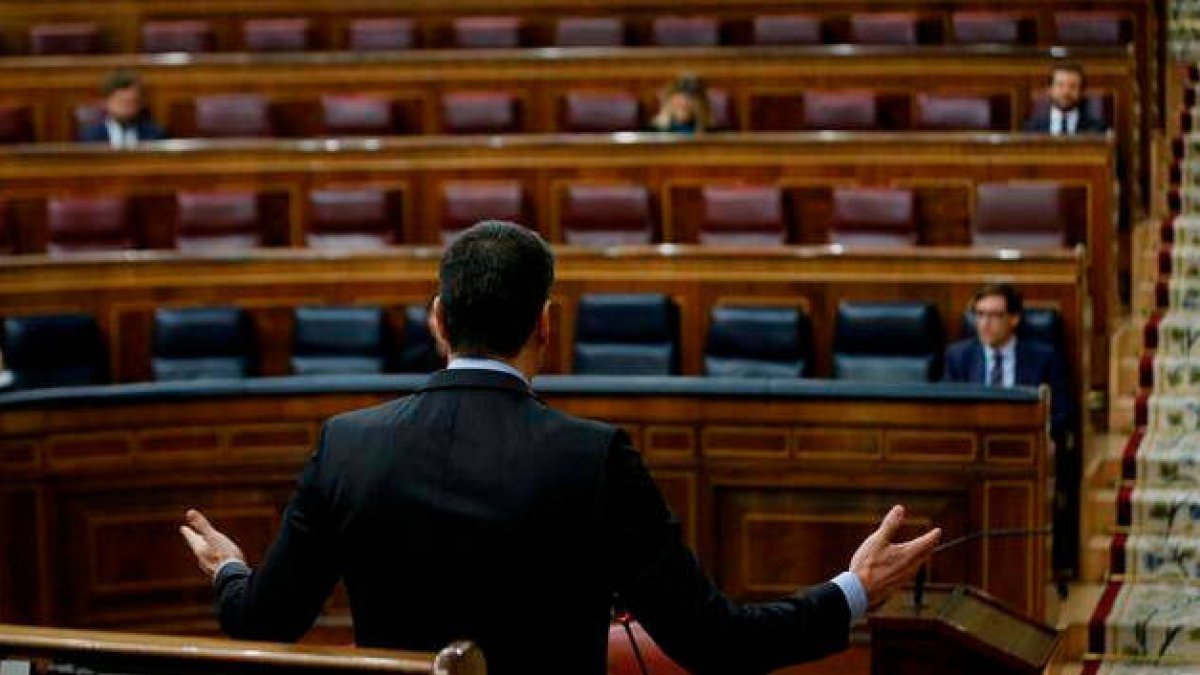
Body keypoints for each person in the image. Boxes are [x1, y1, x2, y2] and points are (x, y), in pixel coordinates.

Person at [180, 221, 940, 675]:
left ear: (437, 319)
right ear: (548, 325)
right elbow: (713, 641)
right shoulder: (594, 457)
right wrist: (853, 589)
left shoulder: (346, 446)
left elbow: (262, 622)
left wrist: (229, 569)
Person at [942, 283, 1071, 438]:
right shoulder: (957, 357)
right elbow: (948, 412)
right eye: (980, 314)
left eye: (994, 315)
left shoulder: (1044, 357)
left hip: (1025, 443)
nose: (984, 323)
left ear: (1014, 319)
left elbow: (1062, 412)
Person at [78, 70, 167, 147]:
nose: (127, 108)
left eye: (132, 102)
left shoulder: (154, 135)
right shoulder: (89, 137)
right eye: (121, 102)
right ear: (106, 102)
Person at [1022, 63, 1108, 135]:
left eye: (1073, 87)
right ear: (1050, 89)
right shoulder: (1031, 130)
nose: (1066, 92)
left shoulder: (1098, 130)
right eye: (1060, 85)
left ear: (1081, 92)